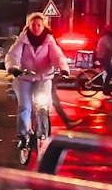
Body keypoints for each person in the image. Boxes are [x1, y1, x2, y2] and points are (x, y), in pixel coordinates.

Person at [5, 12, 69, 146]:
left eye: (39, 25)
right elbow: (12, 56)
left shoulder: (49, 41)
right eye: (33, 25)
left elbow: (57, 56)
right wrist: (13, 68)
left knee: (43, 105)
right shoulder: (22, 41)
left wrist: (63, 68)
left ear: (43, 26)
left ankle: (43, 133)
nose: (36, 28)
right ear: (28, 26)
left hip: (43, 78)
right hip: (24, 78)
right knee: (25, 107)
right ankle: (23, 135)